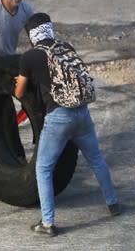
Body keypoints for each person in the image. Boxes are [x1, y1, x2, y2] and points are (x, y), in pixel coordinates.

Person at [14, 13, 120, 237]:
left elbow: (19, 92)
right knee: (97, 159)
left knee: (43, 169)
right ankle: (113, 204)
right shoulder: (66, 47)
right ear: (49, 29)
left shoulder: (30, 57)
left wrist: (22, 80)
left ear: (31, 34)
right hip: (82, 113)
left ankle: (47, 223)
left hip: (58, 118)